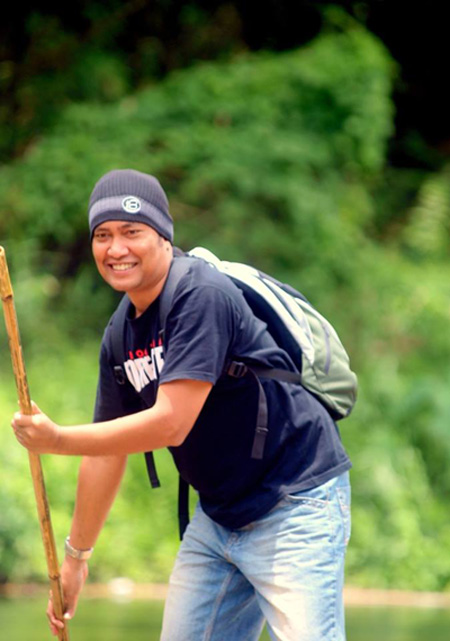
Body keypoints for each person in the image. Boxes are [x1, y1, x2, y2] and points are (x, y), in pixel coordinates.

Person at [11, 169, 352, 641]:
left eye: (132, 232)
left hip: (294, 499)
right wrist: (76, 560)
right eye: (103, 235)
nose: (116, 249)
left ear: (164, 237)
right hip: (218, 514)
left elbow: (171, 423)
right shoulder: (120, 334)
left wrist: (56, 440)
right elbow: (106, 452)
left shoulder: (200, 294)